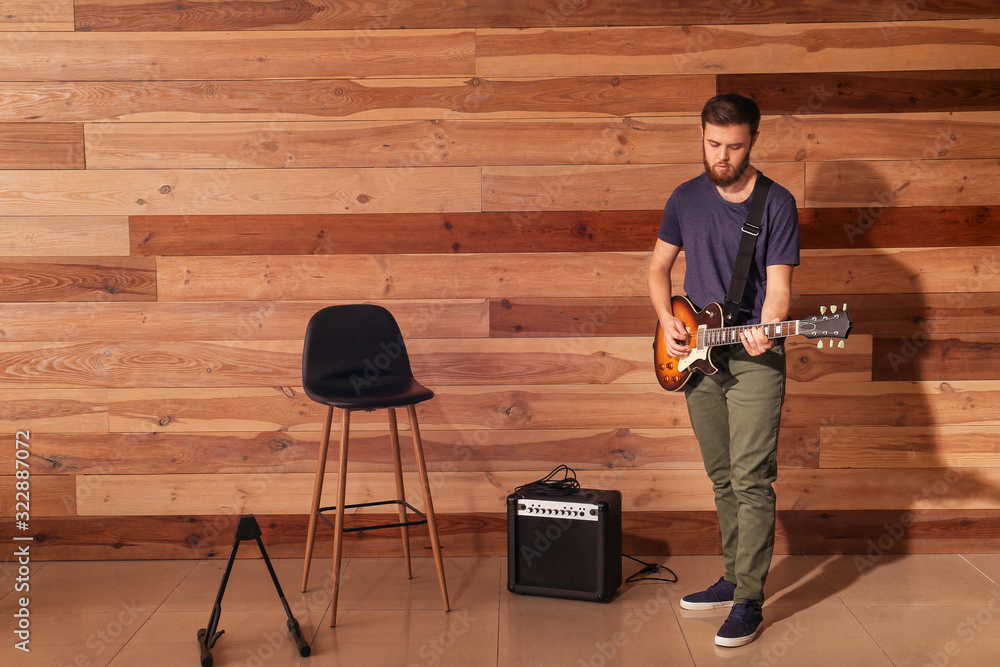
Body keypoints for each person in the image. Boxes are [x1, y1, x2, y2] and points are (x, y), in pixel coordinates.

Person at [647, 93, 800, 647]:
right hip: (696, 356)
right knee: (722, 477)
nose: (722, 156)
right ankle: (734, 574)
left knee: (753, 478)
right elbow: (659, 267)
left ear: (753, 139)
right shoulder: (684, 198)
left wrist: (769, 325)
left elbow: (778, 290)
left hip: (754, 355)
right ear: (702, 136)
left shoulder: (776, 203)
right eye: (714, 144)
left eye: (734, 146)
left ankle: (749, 601)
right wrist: (667, 320)